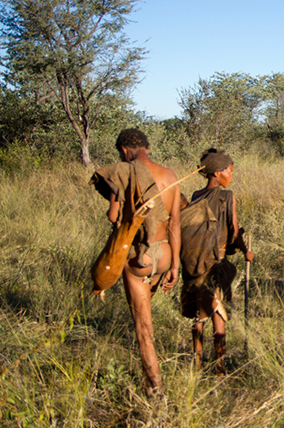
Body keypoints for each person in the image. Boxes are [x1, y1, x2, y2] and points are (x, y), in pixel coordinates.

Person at [90, 129, 182, 395]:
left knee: (144, 327)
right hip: (164, 254)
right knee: (146, 315)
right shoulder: (170, 175)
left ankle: (155, 389)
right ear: (147, 149)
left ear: (123, 150)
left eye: (121, 153)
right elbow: (175, 223)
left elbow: (113, 216)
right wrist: (175, 265)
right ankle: (153, 379)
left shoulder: (124, 171)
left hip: (139, 257)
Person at [179, 149, 254, 375]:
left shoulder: (195, 195)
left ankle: (198, 363)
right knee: (218, 313)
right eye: (229, 172)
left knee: (198, 315)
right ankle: (220, 368)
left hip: (193, 262)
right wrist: (244, 250)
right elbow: (233, 233)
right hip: (214, 262)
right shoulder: (227, 197)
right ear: (218, 172)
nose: (231, 176)